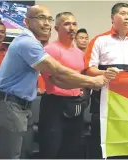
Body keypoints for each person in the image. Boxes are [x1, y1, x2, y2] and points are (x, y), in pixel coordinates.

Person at [0, 5, 117, 159]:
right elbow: (58, 73)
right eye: (41, 18)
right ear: (27, 21)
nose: (46, 23)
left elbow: (68, 77)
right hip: (17, 105)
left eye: (49, 18)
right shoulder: (30, 43)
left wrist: (99, 76)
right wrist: (93, 81)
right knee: (15, 154)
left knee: (27, 153)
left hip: (28, 106)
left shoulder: (75, 52)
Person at [84, 2, 128, 158]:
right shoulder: (100, 40)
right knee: (100, 137)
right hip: (103, 98)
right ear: (113, 18)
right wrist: (104, 73)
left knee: (126, 138)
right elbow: (88, 68)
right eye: (123, 13)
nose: (127, 17)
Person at [38, 12, 90, 158]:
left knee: (72, 151)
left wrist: (83, 90)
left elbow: (82, 75)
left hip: (76, 104)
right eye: (67, 24)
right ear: (56, 28)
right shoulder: (51, 50)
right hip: (54, 105)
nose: (72, 27)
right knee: (51, 150)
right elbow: (54, 80)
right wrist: (84, 82)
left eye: (74, 24)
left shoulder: (79, 53)